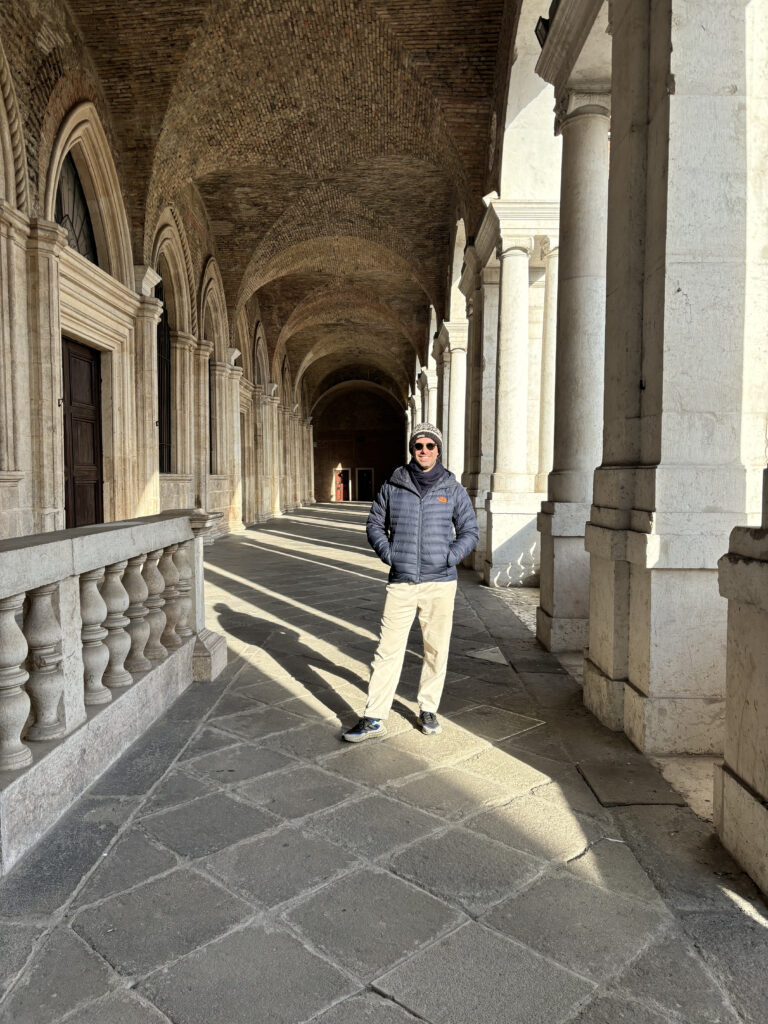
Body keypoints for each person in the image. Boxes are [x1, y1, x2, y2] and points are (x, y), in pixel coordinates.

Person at [343, 423, 478, 741]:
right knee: (386, 650)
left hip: (440, 582)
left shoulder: (452, 489)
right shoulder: (393, 484)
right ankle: (374, 716)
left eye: (431, 445)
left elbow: (470, 530)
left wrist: (450, 556)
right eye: (419, 445)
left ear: (438, 450)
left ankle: (428, 708)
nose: (425, 450)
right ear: (412, 449)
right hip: (401, 581)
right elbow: (375, 523)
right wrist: (390, 554)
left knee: (436, 650)